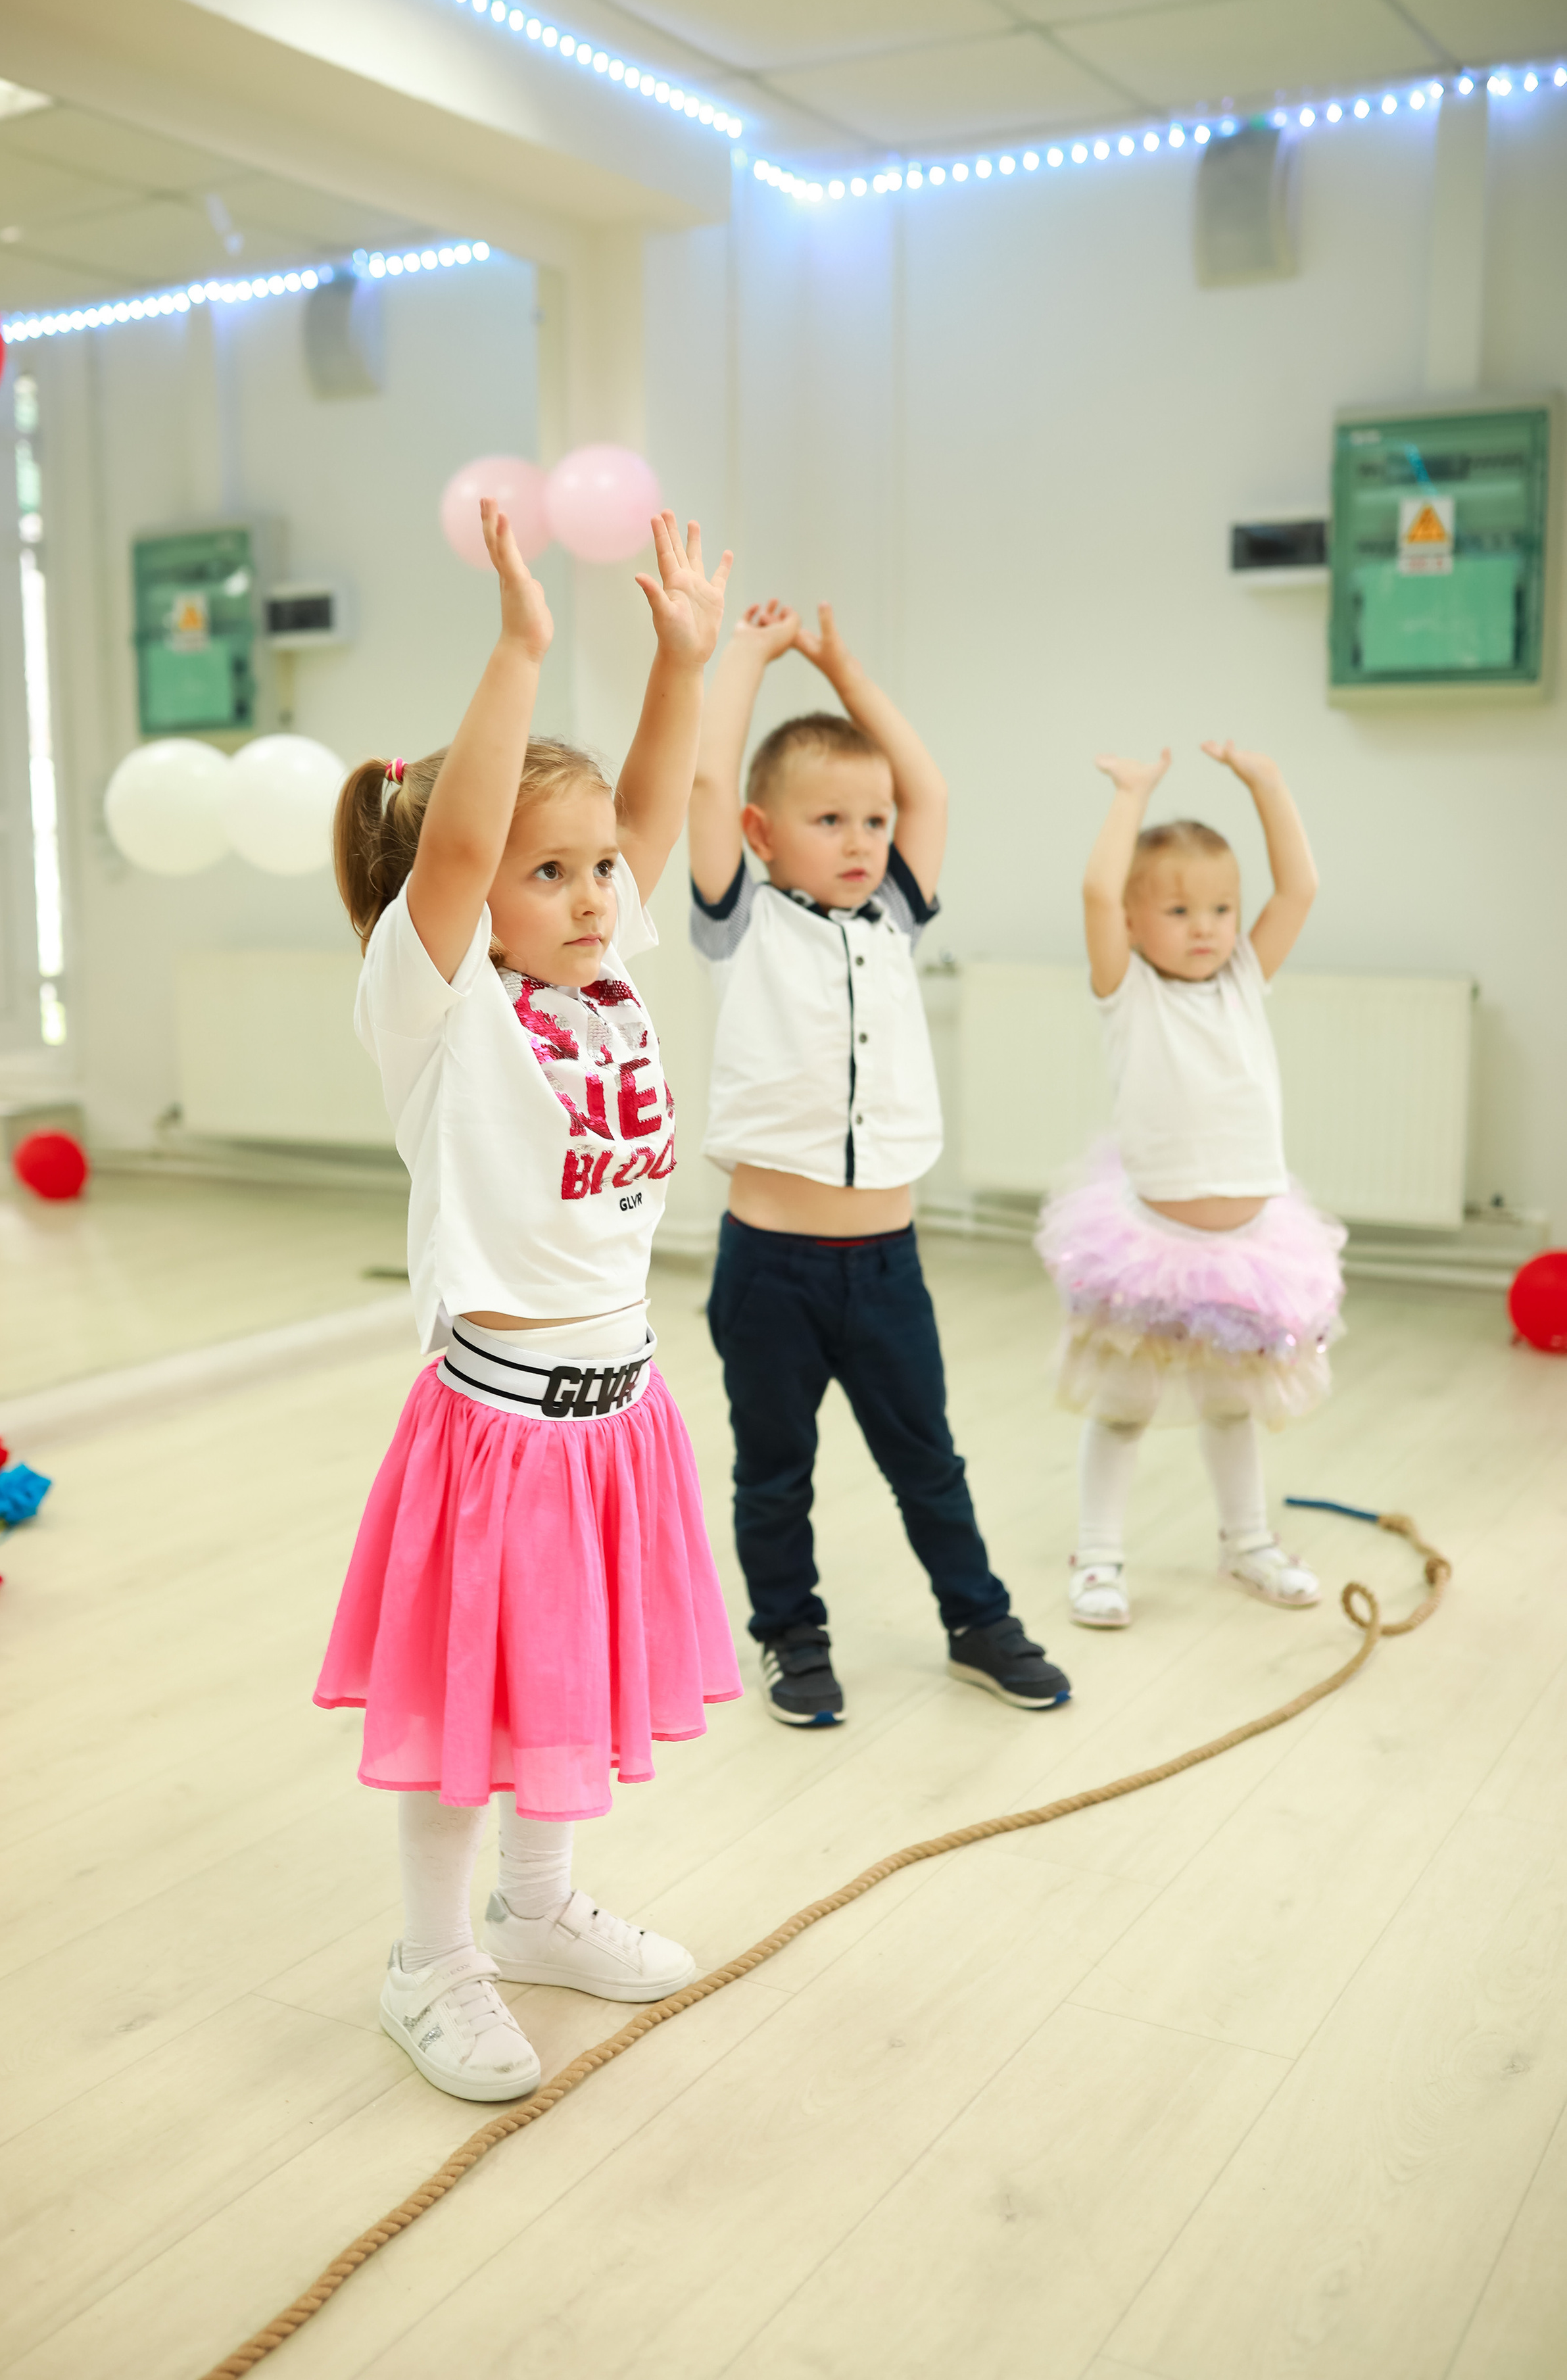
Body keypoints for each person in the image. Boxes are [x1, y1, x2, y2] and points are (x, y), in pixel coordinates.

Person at [316, 499, 742, 2105]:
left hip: (617, 1412)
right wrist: (517, 648)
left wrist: (679, 663)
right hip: (495, 1431)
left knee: (564, 1693)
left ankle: (540, 1911)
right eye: (540, 871)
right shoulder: (433, 1007)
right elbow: (468, 844)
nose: (582, 892)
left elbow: (634, 806)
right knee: (464, 1723)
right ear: (468, 890)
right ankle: (427, 1969)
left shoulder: (606, 968)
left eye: (598, 875)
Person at [688, 597, 1071, 1727]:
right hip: (770, 1270)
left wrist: (846, 667)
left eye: (873, 821)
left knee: (929, 1463)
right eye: (831, 821)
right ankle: (792, 1639)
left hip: (887, 1268)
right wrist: (746, 658)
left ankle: (977, 1621)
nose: (863, 842)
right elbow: (708, 786)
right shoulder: (739, 924)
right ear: (764, 835)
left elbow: (932, 789)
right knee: (774, 1475)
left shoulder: (894, 918)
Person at [1036, 742, 1343, 1628]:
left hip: (1248, 1253)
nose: (1206, 926)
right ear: (1134, 923)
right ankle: (1098, 1558)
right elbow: (1097, 891)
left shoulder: (1245, 978)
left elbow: (1301, 890)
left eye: (1220, 908)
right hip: (1149, 1248)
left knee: (1232, 1405)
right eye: (1177, 909)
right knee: (1125, 1405)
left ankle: (1246, 1543)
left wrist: (1269, 785)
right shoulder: (1128, 992)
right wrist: (1131, 798)